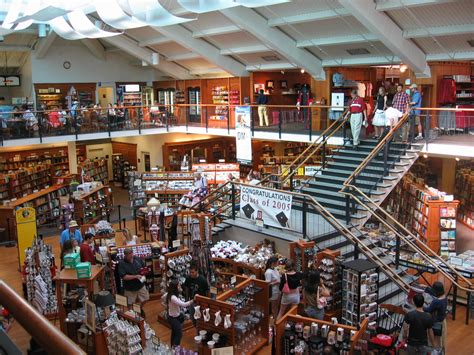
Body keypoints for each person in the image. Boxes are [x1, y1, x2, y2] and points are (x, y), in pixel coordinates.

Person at [167, 279, 193, 348]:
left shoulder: (172, 295)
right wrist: (193, 300)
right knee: (179, 334)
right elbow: (184, 305)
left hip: (174, 316)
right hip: (173, 318)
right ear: (175, 287)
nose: (180, 286)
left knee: (174, 332)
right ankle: (175, 348)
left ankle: (172, 347)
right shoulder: (173, 297)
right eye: (178, 285)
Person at [423, 281, 448, 349]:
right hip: (442, 322)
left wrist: (421, 305)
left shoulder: (436, 301)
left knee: (433, 343)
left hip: (435, 323)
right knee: (440, 343)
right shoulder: (445, 297)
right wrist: (426, 288)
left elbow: (428, 310)